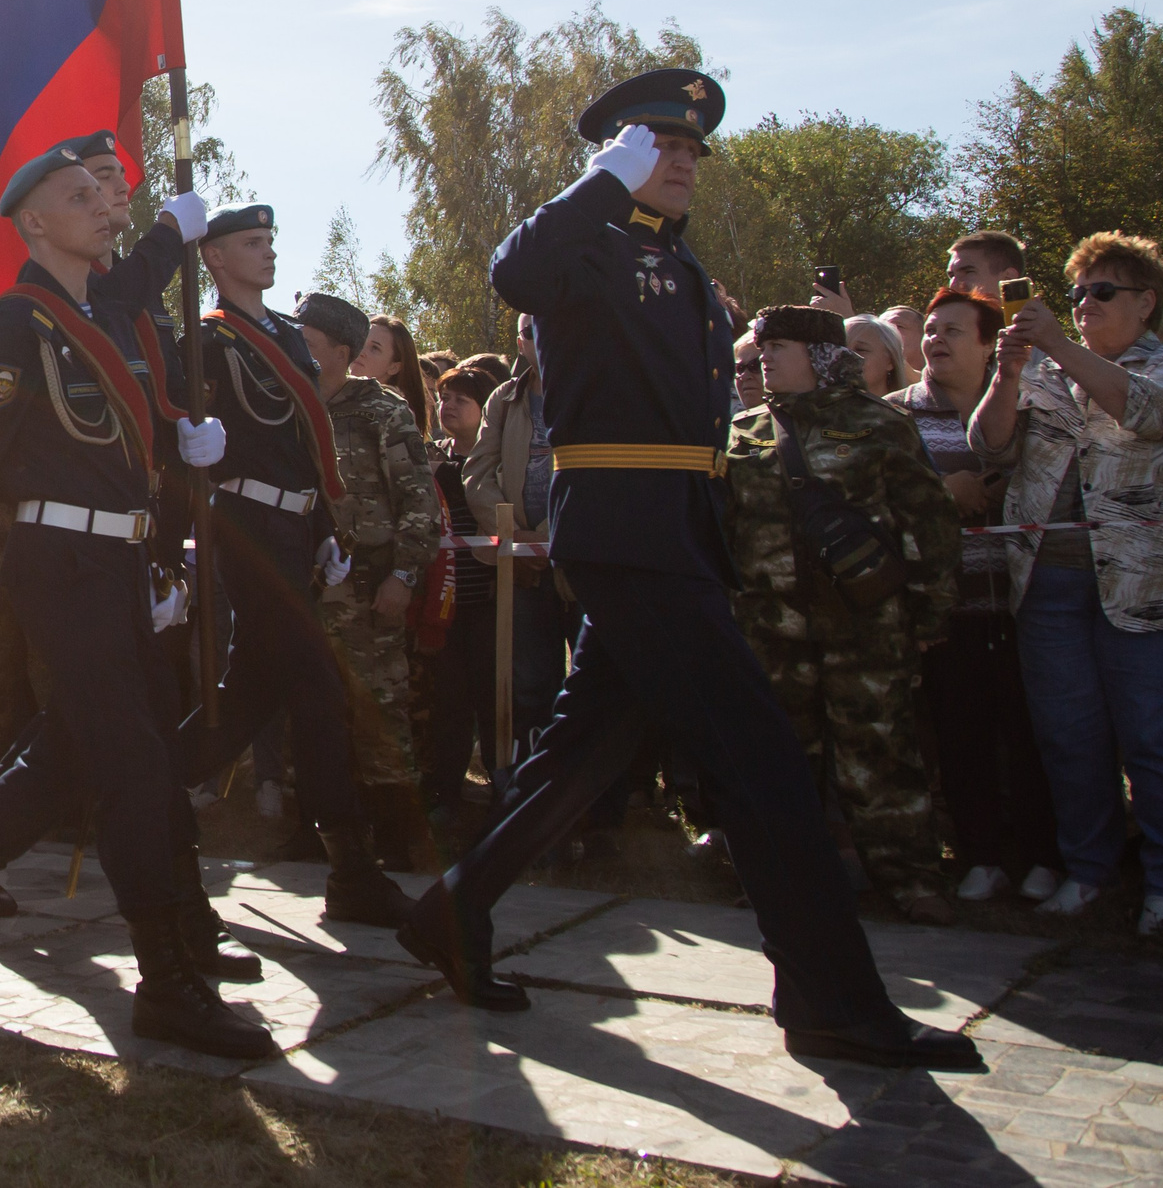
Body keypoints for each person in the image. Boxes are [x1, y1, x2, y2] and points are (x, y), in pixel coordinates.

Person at [398, 68, 978, 1071]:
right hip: (628, 531)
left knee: (584, 750)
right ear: (617, 157)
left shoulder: (678, 265)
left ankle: (450, 913)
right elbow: (516, 273)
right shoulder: (587, 249)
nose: (682, 163)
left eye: (690, 151)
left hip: (674, 530)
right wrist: (601, 183)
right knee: (761, 763)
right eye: (658, 146)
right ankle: (830, 999)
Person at [0, 144, 273, 1059]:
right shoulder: (13, 327)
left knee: (72, 755)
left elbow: (135, 284)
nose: (101, 205)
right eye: (77, 195)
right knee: (137, 763)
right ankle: (167, 979)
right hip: (56, 563)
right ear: (32, 224)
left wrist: (182, 443)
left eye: (103, 193)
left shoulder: (103, 310)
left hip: (119, 565)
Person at [172, 206, 408, 928]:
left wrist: (325, 524)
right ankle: (352, 869)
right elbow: (172, 433)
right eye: (250, 242)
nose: (267, 251)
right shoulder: (208, 341)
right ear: (211, 258)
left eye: (271, 239)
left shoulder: (283, 336)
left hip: (295, 524)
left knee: (246, 695)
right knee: (318, 685)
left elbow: (311, 441)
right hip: (244, 525)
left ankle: (137, 791)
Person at [971, 231, 1163, 937]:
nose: (1084, 304)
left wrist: (1061, 348)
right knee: (1070, 738)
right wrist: (1007, 374)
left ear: (1145, 302)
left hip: (1150, 585)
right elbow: (990, 445)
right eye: (1076, 294)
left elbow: (1153, 415)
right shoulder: (1042, 371)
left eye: (1102, 292)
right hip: (1048, 583)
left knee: (1158, 740)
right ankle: (1090, 872)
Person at [727, 306, 960, 923]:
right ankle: (781, 881)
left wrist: (931, 612)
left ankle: (910, 881)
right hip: (774, 631)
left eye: (779, 346)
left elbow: (927, 522)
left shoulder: (879, 424)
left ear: (821, 355)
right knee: (778, 762)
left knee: (881, 756)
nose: (764, 357)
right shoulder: (741, 433)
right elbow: (724, 530)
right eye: (761, 346)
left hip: (866, 626)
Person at [890, 289, 1059, 905]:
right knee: (960, 734)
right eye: (931, 330)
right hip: (946, 605)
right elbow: (876, 493)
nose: (935, 339)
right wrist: (943, 489)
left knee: (1032, 732)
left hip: (1024, 601)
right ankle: (980, 856)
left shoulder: (1034, 403)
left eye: (954, 330)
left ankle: (1045, 855)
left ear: (990, 344)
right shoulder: (895, 414)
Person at [297, 291, 441, 867]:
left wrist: (404, 574)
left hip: (370, 588)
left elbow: (417, 501)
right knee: (316, 712)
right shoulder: (291, 408)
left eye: (308, 344)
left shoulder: (382, 412)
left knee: (381, 714)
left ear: (342, 351)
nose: (298, 353)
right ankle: (322, 836)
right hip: (309, 589)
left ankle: (400, 838)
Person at [460, 315, 571, 752]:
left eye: (548, 326)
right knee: (529, 680)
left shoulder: (593, 387)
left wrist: (546, 535)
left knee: (597, 677)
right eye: (528, 331)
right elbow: (478, 472)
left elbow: (600, 474)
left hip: (581, 558)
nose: (537, 338)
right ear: (519, 342)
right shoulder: (505, 399)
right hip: (522, 565)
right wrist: (516, 538)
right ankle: (532, 781)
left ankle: (604, 796)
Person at [418, 364, 502, 824]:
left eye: (460, 400)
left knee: (493, 696)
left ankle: (501, 787)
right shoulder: (430, 457)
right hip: (446, 603)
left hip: (490, 600)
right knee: (448, 699)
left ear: (484, 409)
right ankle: (446, 792)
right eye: (444, 397)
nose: (447, 406)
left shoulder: (497, 461)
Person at [352, 314, 434, 439]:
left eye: (374, 348)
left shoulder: (395, 414)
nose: (361, 351)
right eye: (361, 341)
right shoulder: (336, 395)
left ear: (394, 367)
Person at [843, 314, 914, 395]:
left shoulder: (909, 406)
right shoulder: (828, 406)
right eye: (843, 348)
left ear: (890, 361)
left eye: (860, 349)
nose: (847, 355)